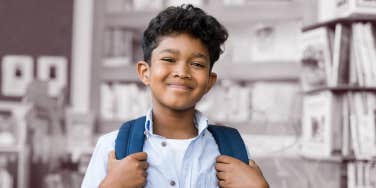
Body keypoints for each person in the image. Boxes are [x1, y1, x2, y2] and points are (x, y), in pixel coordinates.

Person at [82, 4, 269, 188]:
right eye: (169, 60)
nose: (182, 72)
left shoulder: (231, 149)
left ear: (210, 82)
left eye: (197, 64)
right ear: (145, 72)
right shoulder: (111, 148)